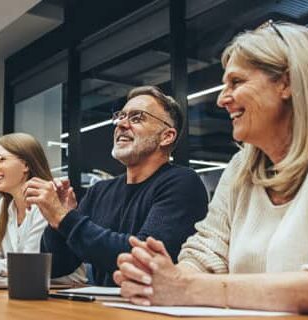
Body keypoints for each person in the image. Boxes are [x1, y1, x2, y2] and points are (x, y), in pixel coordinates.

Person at [114, 22, 308, 312]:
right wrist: (163, 278)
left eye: (236, 82)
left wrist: (185, 287)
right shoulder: (241, 166)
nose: (222, 99)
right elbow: (207, 252)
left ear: (287, 83)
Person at [24, 86, 209, 286]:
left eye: (137, 118)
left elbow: (142, 258)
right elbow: (58, 267)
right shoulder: (100, 191)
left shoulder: (182, 182)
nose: (121, 123)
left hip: (151, 311)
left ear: (167, 136)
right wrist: (56, 223)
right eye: (121, 116)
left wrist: (65, 218)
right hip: (103, 310)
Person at [0, 133, 86, 283]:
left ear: (26, 165)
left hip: (64, 293)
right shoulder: (6, 205)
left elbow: (29, 263)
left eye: (1, 160)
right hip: (26, 286)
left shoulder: (47, 200)